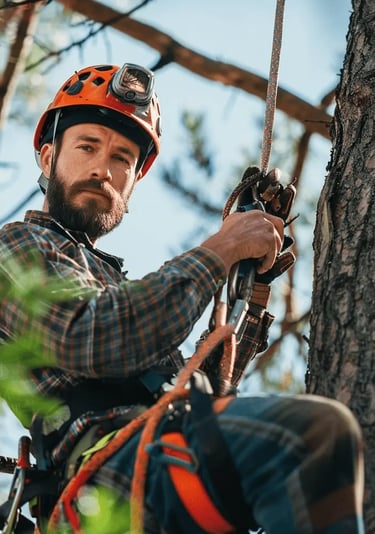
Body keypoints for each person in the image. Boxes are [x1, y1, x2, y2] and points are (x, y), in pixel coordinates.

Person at [0, 63, 365, 534]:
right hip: (106, 479)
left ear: (133, 183)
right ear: (48, 158)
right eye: (87, 146)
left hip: (155, 458)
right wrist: (222, 249)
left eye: (122, 160)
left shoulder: (109, 281)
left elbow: (201, 395)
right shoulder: (18, 246)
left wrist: (248, 288)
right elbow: (92, 336)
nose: (102, 170)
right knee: (313, 436)